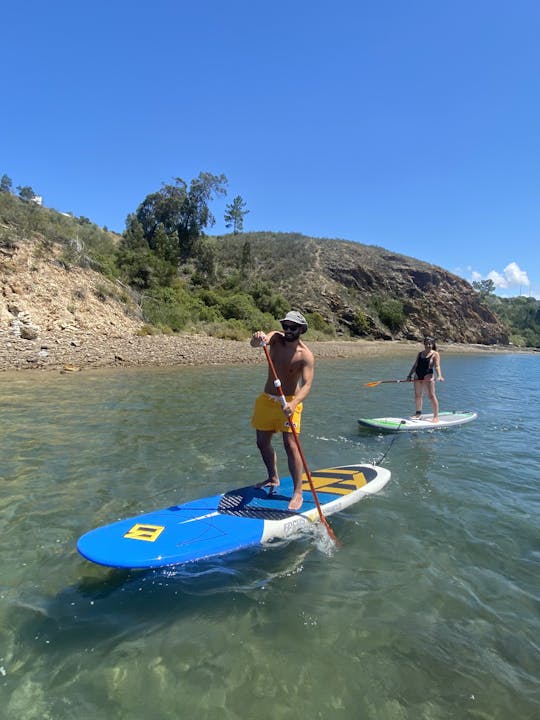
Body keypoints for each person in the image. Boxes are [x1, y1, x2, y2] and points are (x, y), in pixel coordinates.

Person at [250, 311, 314, 511]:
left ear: (301, 330)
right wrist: (257, 338)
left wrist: (293, 405)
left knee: (290, 444)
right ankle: (273, 477)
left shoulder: (305, 355)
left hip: (290, 402)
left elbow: (307, 385)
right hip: (268, 400)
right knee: (262, 442)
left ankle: (297, 492)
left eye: (292, 327)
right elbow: (258, 343)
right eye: (285, 325)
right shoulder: (276, 338)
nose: (287, 330)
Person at [406, 336, 444, 422]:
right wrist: (409, 376)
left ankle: (436, 416)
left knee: (431, 396)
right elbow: (415, 365)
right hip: (417, 376)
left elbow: (437, 366)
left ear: (433, 344)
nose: (428, 345)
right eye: (426, 344)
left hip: (428, 377)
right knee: (417, 395)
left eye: (430, 344)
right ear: (424, 344)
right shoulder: (420, 354)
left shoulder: (435, 354)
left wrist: (439, 376)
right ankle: (418, 413)